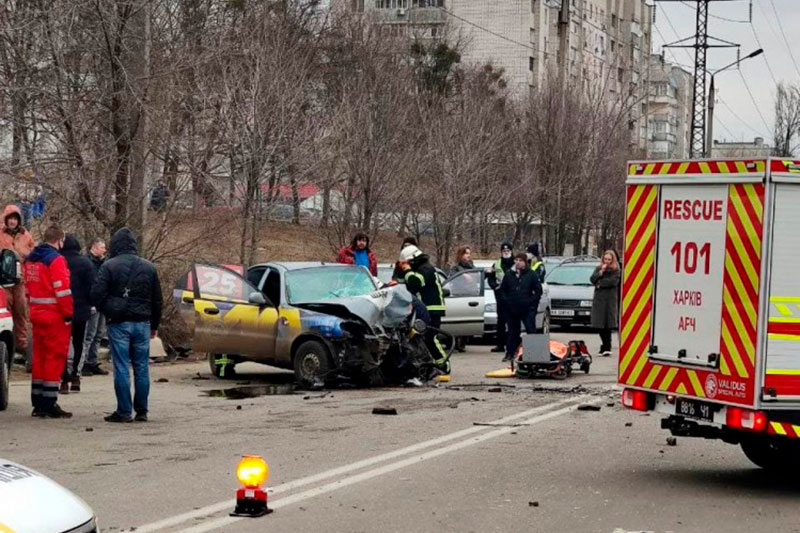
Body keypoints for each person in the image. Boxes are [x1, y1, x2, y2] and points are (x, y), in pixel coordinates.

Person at [91, 228, 163, 423]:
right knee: (141, 367)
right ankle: (142, 410)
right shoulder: (149, 267)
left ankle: (124, 411)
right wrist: (154, 324)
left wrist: (109, 309)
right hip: (142, 323)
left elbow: (97, 294)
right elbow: (157, 300)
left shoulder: (108, 266)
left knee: (121, 366)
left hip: (119, 323)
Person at [25, 225, 73, 418]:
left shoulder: (31, 259)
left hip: (37, 313)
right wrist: (68, 314)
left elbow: (28, 288)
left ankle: (38, 402)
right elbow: (62, 290)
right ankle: (49, 402)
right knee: (54, 358)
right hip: (55, 316)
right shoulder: (56, 260)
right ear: (59, 241)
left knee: (40, 358)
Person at [397, 245, 450, 373]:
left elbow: (415, 283)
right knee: (423, 338)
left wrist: (408, 271)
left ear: (414, 260)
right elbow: (410, 286)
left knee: (430, 337)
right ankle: (431, 364)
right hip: (425, 309)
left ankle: (443, 365)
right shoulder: (420, 269)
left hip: (432, 308)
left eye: (408, 263)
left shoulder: (426, 269)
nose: (406, 265)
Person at [59, 235, 95, 393]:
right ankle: (76, 376)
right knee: (79, 343)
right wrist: (91, 305)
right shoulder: (85, 263)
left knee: (62, 345)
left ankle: (63, 379)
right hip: (81, 310)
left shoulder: (58, 261)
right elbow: (91, 287)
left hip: (61, 310)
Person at [0, 205, 35, 360]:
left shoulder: (26, 235)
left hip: (20, 281)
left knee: (21, 312)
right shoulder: (0, 234)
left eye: (15, 219)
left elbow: (32, 255)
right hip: (3, 281)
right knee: (5, 313)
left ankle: (22, 347)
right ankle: (5, 346)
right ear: (6, 219)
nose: (13, 221)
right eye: (10, 219)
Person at [500, 253, 543, 362]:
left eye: (520, 260)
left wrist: (532, 303)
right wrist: (507, 301)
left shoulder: (531, 275)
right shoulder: (509, 274)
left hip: (527, 308)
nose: (518, 262)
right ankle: (510, 353)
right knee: (512, 332)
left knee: (530, 330)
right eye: (516, 260)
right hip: (512, 308)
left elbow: (538, 291)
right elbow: (503, 290)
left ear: (525, 262)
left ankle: (534, 355)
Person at [82, 238, 109, 376]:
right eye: (102, 247)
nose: (104, 250)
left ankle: (93, 361)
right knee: (89, 335)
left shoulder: (104, 263)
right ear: (94, 247)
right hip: (92, 302)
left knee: (98, 334)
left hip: (102, 303)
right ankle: (84, 362)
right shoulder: (87, 262)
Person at [590, 250, 621, 356]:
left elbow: (612, 282)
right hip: (599, 300)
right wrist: (600, 273)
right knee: (599, 324)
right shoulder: (599, 269)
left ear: (612, 260)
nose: (607, 261)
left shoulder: (616, 270)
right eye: (605, 259)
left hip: (609, 300)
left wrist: (600, 284)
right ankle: (604, 345)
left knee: (607, 324)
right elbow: (592, 279)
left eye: (609, 259)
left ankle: (607, 347)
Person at [486, 242, 514, 353]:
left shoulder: (516, 263)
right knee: (501, 322)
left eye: (508, 251)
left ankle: (512, 345)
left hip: (513, 297)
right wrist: (495, 287)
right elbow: (490, 278)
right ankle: (500, 345)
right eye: (504, 251)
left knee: (512, 322)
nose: (506, 253)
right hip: (501, 296)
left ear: (511, 251)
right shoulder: (497, 264)